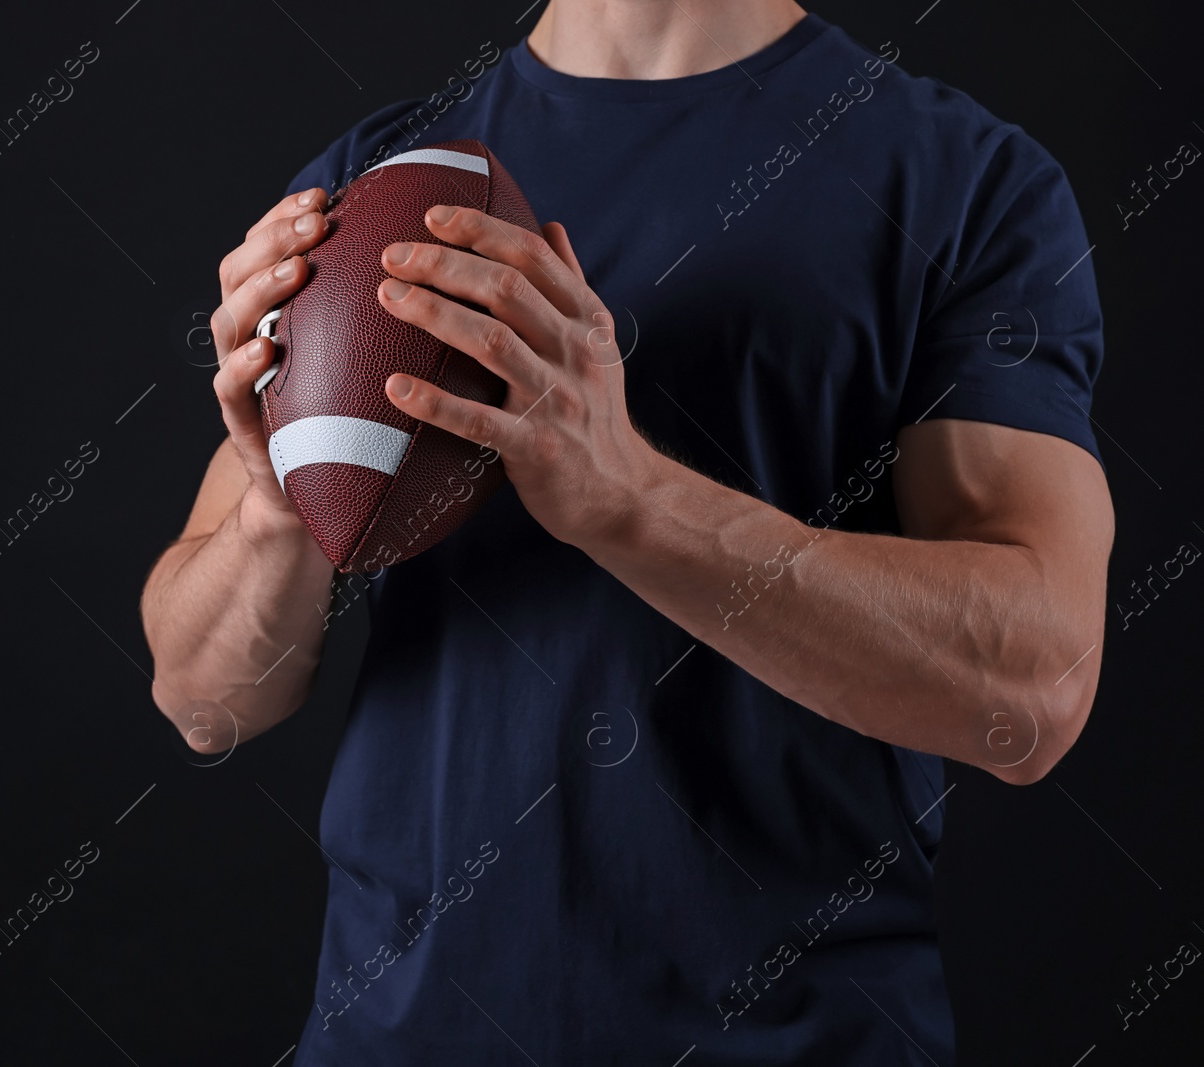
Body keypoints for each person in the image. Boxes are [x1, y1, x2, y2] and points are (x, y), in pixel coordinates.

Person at [140, 1, 1114, 1062]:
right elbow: (203, 697)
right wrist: (277, 497)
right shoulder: (383, 174)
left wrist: (627, 499)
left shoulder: (962, 179)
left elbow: (1033, 684)